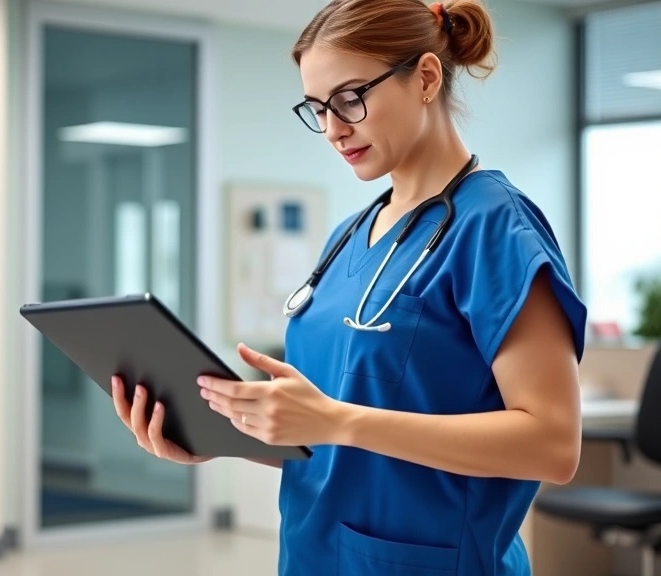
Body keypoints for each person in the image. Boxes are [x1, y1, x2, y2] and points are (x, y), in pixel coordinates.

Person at [111, 0, 587, 574]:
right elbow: (339, 436)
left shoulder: (495, 227)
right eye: (317, 108)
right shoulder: (350, 235)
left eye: (349, 98)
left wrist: (339, 420)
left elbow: (553, 445)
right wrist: (228, 434)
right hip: (314, 555)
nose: (334, 129)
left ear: (427, 78)